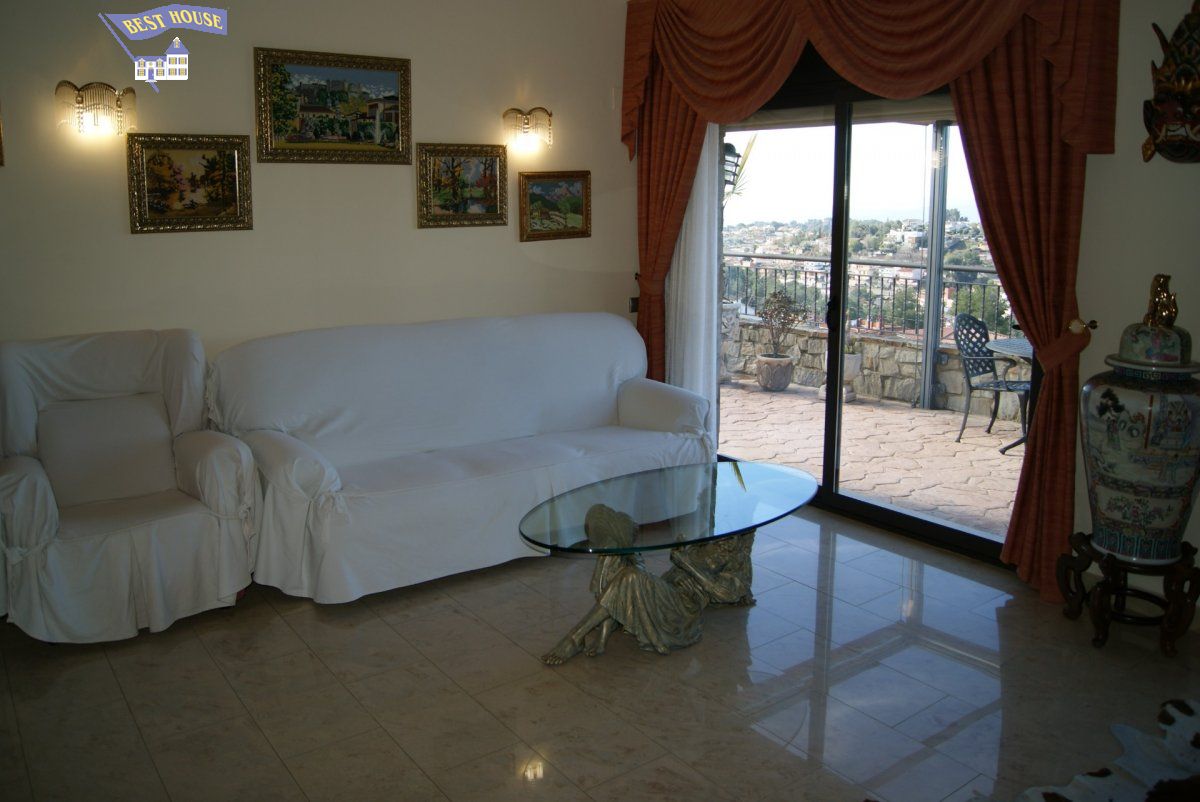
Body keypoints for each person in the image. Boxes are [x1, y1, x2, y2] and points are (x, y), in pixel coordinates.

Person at [541, 503, 753, 665]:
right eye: (724, 539)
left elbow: (724, 592)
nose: (724, 544)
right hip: (666, 588)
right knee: (614, 550)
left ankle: (575, 638)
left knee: (630, 577)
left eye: (731, 541)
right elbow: (682, 558)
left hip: (681, 607)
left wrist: (686, 563)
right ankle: (604, 629)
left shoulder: (736, 566)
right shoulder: (710, 543)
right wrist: (682, 549)